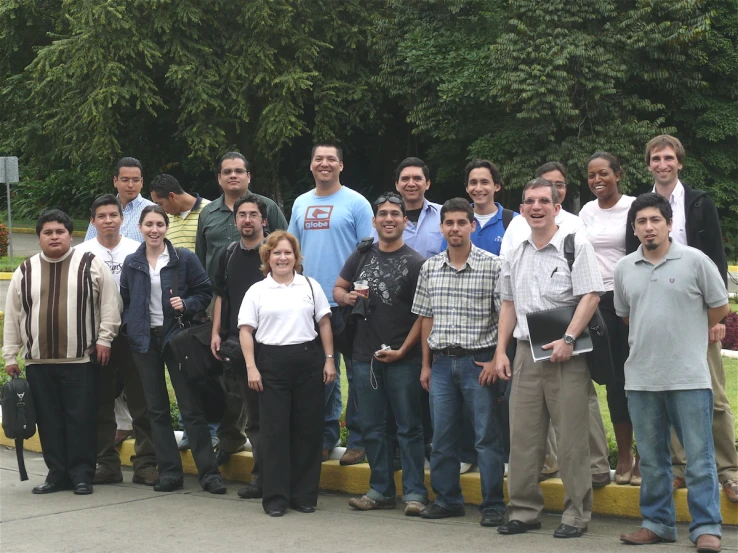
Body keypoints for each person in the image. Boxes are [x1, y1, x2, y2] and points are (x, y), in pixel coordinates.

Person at [626, 134, 738, 504]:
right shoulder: (643, 208)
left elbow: (716, 260)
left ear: (680, 162)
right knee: (667, 396)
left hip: (701, 312)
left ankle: (728, 470)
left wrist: (716, 318)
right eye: (655, 158)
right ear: (648, 165)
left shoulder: (699, 203)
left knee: (715, 397)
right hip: (661, 314)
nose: (662, 164)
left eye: (669, 157)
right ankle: (679, 468)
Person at [616, 193, 729, 551]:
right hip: (641, 378)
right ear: (634, 229)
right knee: (651, 460)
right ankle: (658, 523)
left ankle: (707, 526)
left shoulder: (695, 261)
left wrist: (687, 334)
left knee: (698, 458)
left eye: (655, 220)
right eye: (641, 222)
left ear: (668, 224)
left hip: (689, 377)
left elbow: (719, 306)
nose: (648, 228)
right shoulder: (624, 268)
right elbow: (626, 315)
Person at [496, 177, 604, 538]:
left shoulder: (575, 245)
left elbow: (590, 295)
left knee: (572, 438)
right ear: (523, 209)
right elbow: (508, 305)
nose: (536, 207)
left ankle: (576, 514)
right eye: (529, 201)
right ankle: (524, 510)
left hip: (566, 354)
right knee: (524, 437)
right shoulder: (514, 252)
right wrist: (501, 352)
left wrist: (569, 338)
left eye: (544, 201)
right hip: (527, 352)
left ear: (558, 208)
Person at [4, 210, 121, 495]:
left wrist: (105, 339)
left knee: (81, 419)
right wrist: (10, 355)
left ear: (71, 235)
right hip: (38, 362)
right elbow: (13, 314)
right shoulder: (25, 270)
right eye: (48, 232)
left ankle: (82, 475)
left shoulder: (90, 264)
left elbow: (110, 305)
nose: (54, 237)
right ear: (39, 238)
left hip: (80, 360)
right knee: (49, 420)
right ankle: (57, 475)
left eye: (60, 231)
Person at [411, 198, 507, 528]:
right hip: (440, 364)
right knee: (443, 437)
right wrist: (425, 365)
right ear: (441, 227)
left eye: (461, 223)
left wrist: (497, 358)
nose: (454, 228)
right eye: (448, 223)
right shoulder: (430, 267)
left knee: (485, 438)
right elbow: (426, 318)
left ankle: (493, 504)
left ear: (472, 226)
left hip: (478, 363)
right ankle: (448, 500)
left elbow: (504, 316)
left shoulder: (493, 266)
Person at [120, 205, 226, 494]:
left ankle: (209, 473)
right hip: (145, 342)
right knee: (156, 409)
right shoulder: (133, 263)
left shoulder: (184, 258)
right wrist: (132, 326)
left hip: (177, 339)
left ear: (166, 228)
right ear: (140, 228)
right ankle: (169, 472)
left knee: (191, 407)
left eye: (159, 224)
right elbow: (127, 300)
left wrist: (187, 304)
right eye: (149, 224)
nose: (154, 230)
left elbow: (205, 291)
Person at [336, 192, 428, 515]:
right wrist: (347, 299)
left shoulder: (417, 262)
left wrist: (405, 350)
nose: (389, 219)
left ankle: (415, 494)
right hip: (365, 357)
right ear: (374, 222)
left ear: (405, 221)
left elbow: (424, 315)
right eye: (383, 214)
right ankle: (380, 490)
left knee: (409, 428)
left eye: (395, 214)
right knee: (373, 428)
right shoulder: (361, 255)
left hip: (404, 357)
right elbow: (338, 287)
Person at [196, 152, 288, 461]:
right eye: (227, 171)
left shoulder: (267, 207)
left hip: (271, 317)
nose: (233, 175)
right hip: (224, 308)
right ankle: (229, 436)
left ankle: (268, 457)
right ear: (219, 178)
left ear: (249, 176)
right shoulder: (208, 214)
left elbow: (284, 246)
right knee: (229, 378)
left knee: (264, 385)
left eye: (239, 170)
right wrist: (214, 324)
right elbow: (202, 259)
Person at [238, 230, 336, 516]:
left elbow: (325, 324)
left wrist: (329, 360)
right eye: (277, 253)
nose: (283, 257)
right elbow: (246, 331)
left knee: (308, 430)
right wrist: (251, 367)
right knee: (275, 432)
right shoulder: (257, 291)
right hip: (270, 364)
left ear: (296, 257)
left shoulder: (310, 285)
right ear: (268, 257)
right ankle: (276, 498)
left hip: (308, 361)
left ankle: (304, 496)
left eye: (288, 253)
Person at [288, 143, 374, 466]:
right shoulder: (300, 203)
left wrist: (361, 298)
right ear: (310, 165)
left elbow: (368, 253)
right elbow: (292, 252)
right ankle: (324, 437)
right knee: (321, 375)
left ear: (341, 165)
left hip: (348, 303)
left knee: (356, 374)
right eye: (318, 159)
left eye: (330, 159)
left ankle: (359, 438)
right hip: (310, 304)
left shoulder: (357, 203)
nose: (324, 164)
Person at [76, 195, 159, 487]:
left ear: (122, 219)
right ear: (93, 221)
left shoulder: (138, 250)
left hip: (133, 335)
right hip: (95, 338)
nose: (108, 220)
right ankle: (106, 463)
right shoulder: (81, 253)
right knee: (100, 402)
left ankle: (146, 463)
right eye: (102, 216)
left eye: (113, 215)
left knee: (142, 401)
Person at [579, 153, 638, 486]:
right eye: (591, 175)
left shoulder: (634, 207)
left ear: (619, 174)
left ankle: (645, 455)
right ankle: (625, 455)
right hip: (596, 301)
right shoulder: (587, 211)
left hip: (629, 299)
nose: (597, 180)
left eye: (603, 173)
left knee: (639, 380)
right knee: (614, 381)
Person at [211, 194, 269, 500]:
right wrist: (216, 332)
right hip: (237, 343)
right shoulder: (228, 253)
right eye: (242, 215)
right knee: (250, 412)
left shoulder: (275, 253)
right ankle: (260, 476)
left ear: (264, 220)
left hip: (271, 344)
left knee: (267, 414)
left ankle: (268, 475)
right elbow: (221, 295)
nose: (247, 219)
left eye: (253, 214)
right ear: (235, 221)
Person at [441, 159, 517, 255]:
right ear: (467, 188)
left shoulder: (514, 221)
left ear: (497, 186)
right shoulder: (455, 221)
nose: (478, 188)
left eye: (484, 182)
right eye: (473, 183)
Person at [85, 157, 155, 243]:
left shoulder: (153, 211)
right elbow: (88, 246)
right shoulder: (101, 209)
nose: (130, 185)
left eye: (135, 180)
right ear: (115, 181)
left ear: (142, 182)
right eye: (125, 180)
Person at [149, 173, 211, 251]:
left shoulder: (210, 210)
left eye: (160, 204)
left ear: (172, 196)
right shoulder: (163, 218)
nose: (161, 209)